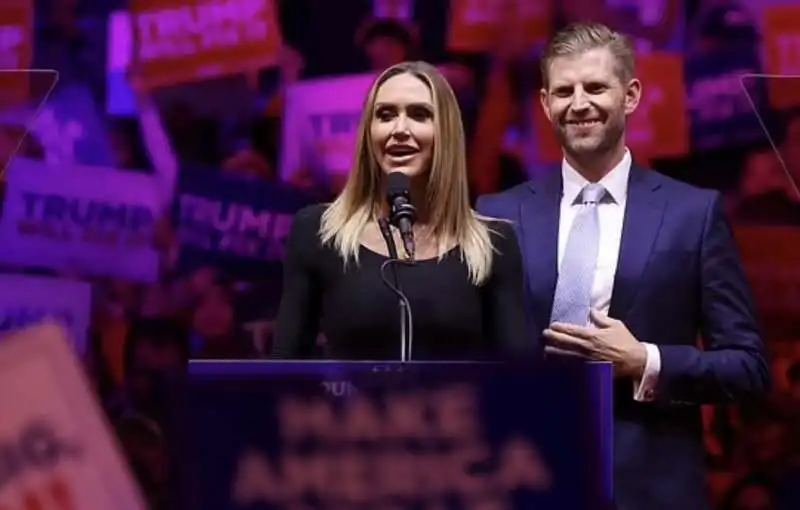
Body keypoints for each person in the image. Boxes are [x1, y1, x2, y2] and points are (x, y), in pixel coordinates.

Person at [476, 22, 770, 510]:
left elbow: (748, 367)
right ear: (546, 103)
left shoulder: (692, 213)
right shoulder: (498, 213)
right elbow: (475, 353)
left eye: (595, 87)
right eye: (564, 91)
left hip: (650, 487)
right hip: (525, 479)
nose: (579, 103)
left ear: (630, 95)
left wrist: (645, 362)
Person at [272, 61, 526, 360]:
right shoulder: (318, 231)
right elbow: (283, 375)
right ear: (368, 132)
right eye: (385, 115)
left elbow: (519, 382)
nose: (400, 129)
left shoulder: (493, 242)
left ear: (447, 132)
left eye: (419, 115)